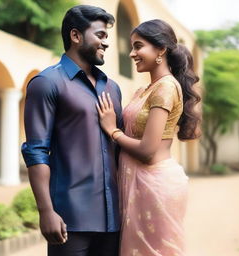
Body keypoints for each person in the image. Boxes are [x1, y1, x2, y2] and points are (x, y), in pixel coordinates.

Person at [21, 5, 122, 256]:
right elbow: (36, 151)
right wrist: (46, 211)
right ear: (76, 36)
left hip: (114, 220)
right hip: (70, 220)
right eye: (99, 35)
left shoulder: (113, 88)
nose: (105, 42)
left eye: (106, 37)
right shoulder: (46, 83)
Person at [96, 19, 201, 256]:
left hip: (154, 185)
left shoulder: (165, 87)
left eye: (138, 46)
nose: (132, 53)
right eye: (132, 46)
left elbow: (147, 149)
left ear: (161, 49)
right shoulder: (144, 90)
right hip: (138, 184)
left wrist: (112, 130)